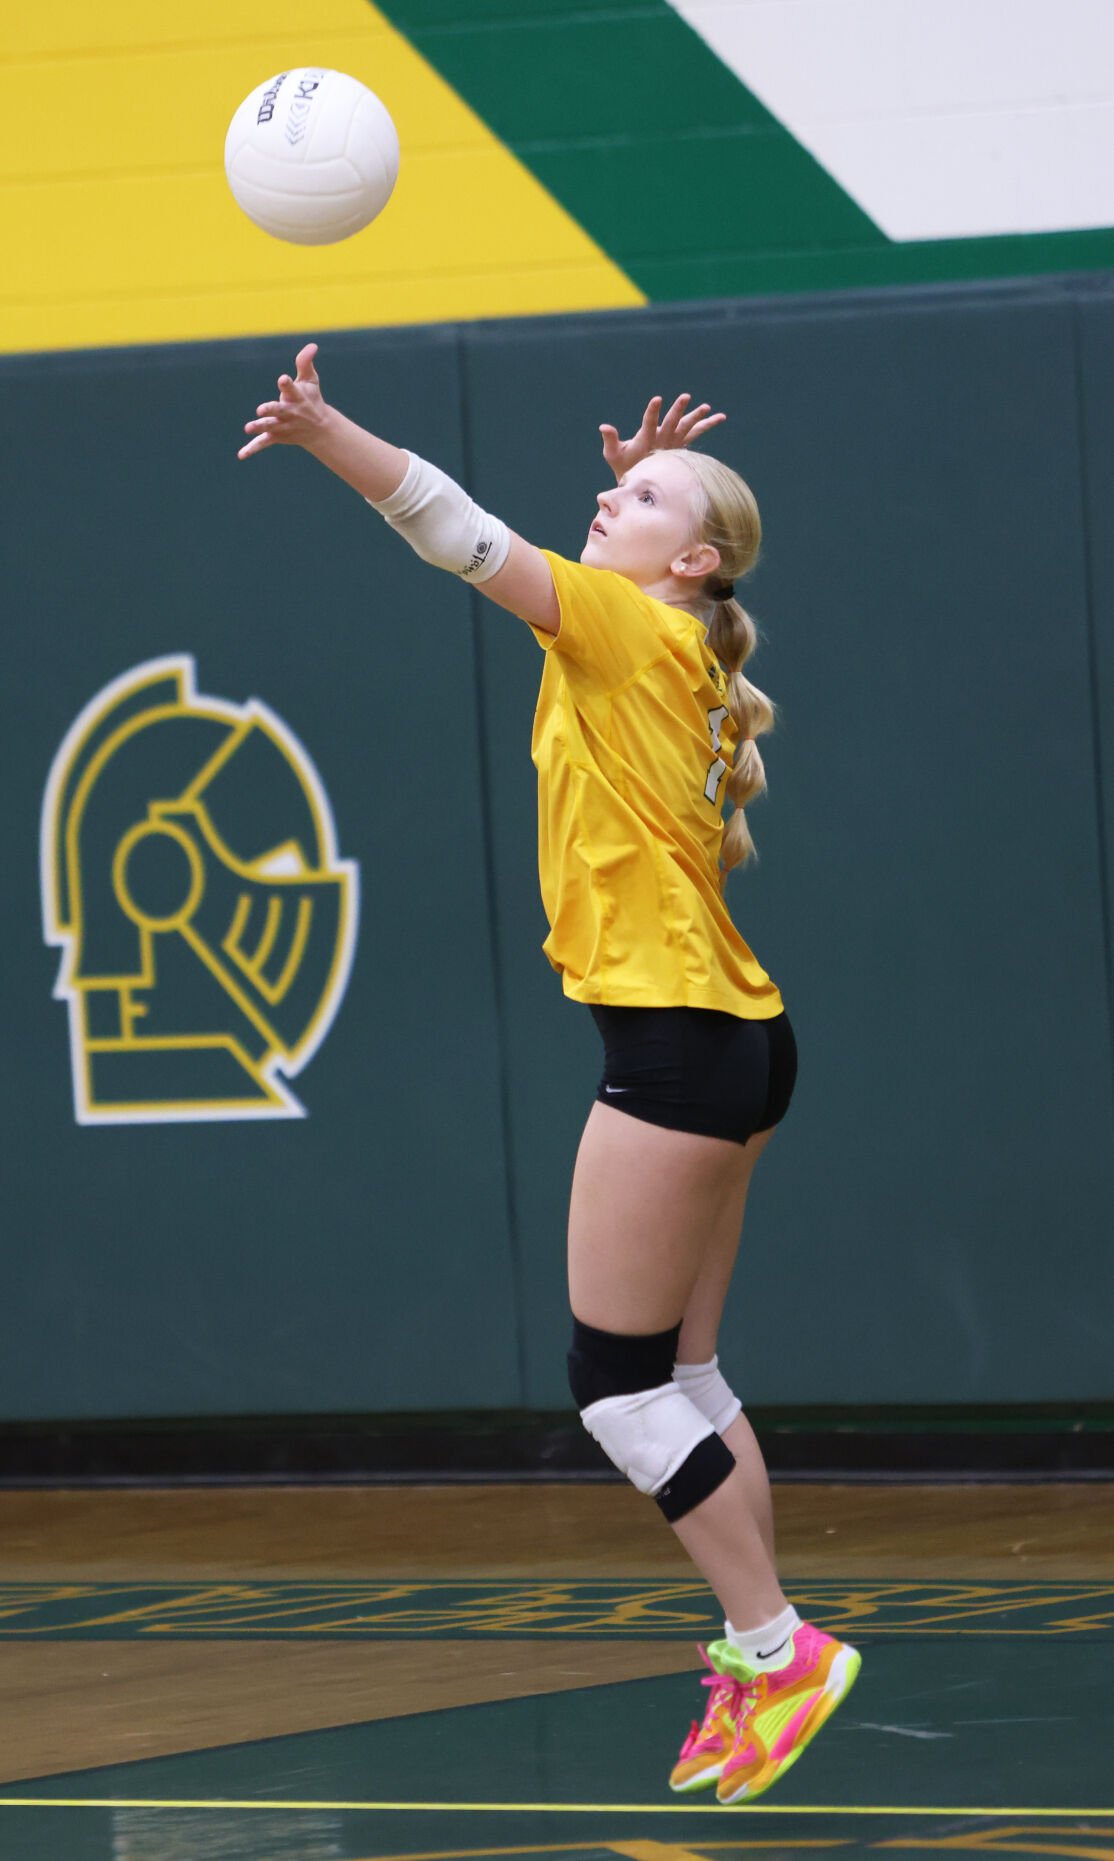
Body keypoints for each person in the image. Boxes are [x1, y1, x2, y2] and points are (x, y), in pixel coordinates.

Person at [238, 345, 861, 1804]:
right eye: (614, 482)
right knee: (686, 1375)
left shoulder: (624, 629)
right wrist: (654, 499)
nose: (604, 496)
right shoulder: (683, 642)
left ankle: (777, 1647)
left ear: (693, 558)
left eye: (637, 496)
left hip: (677, 1047)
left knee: (614, 1387)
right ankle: (754, 1642)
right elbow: (587, 553)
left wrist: (328, 432)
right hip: (736, 1038)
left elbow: (452, 528)